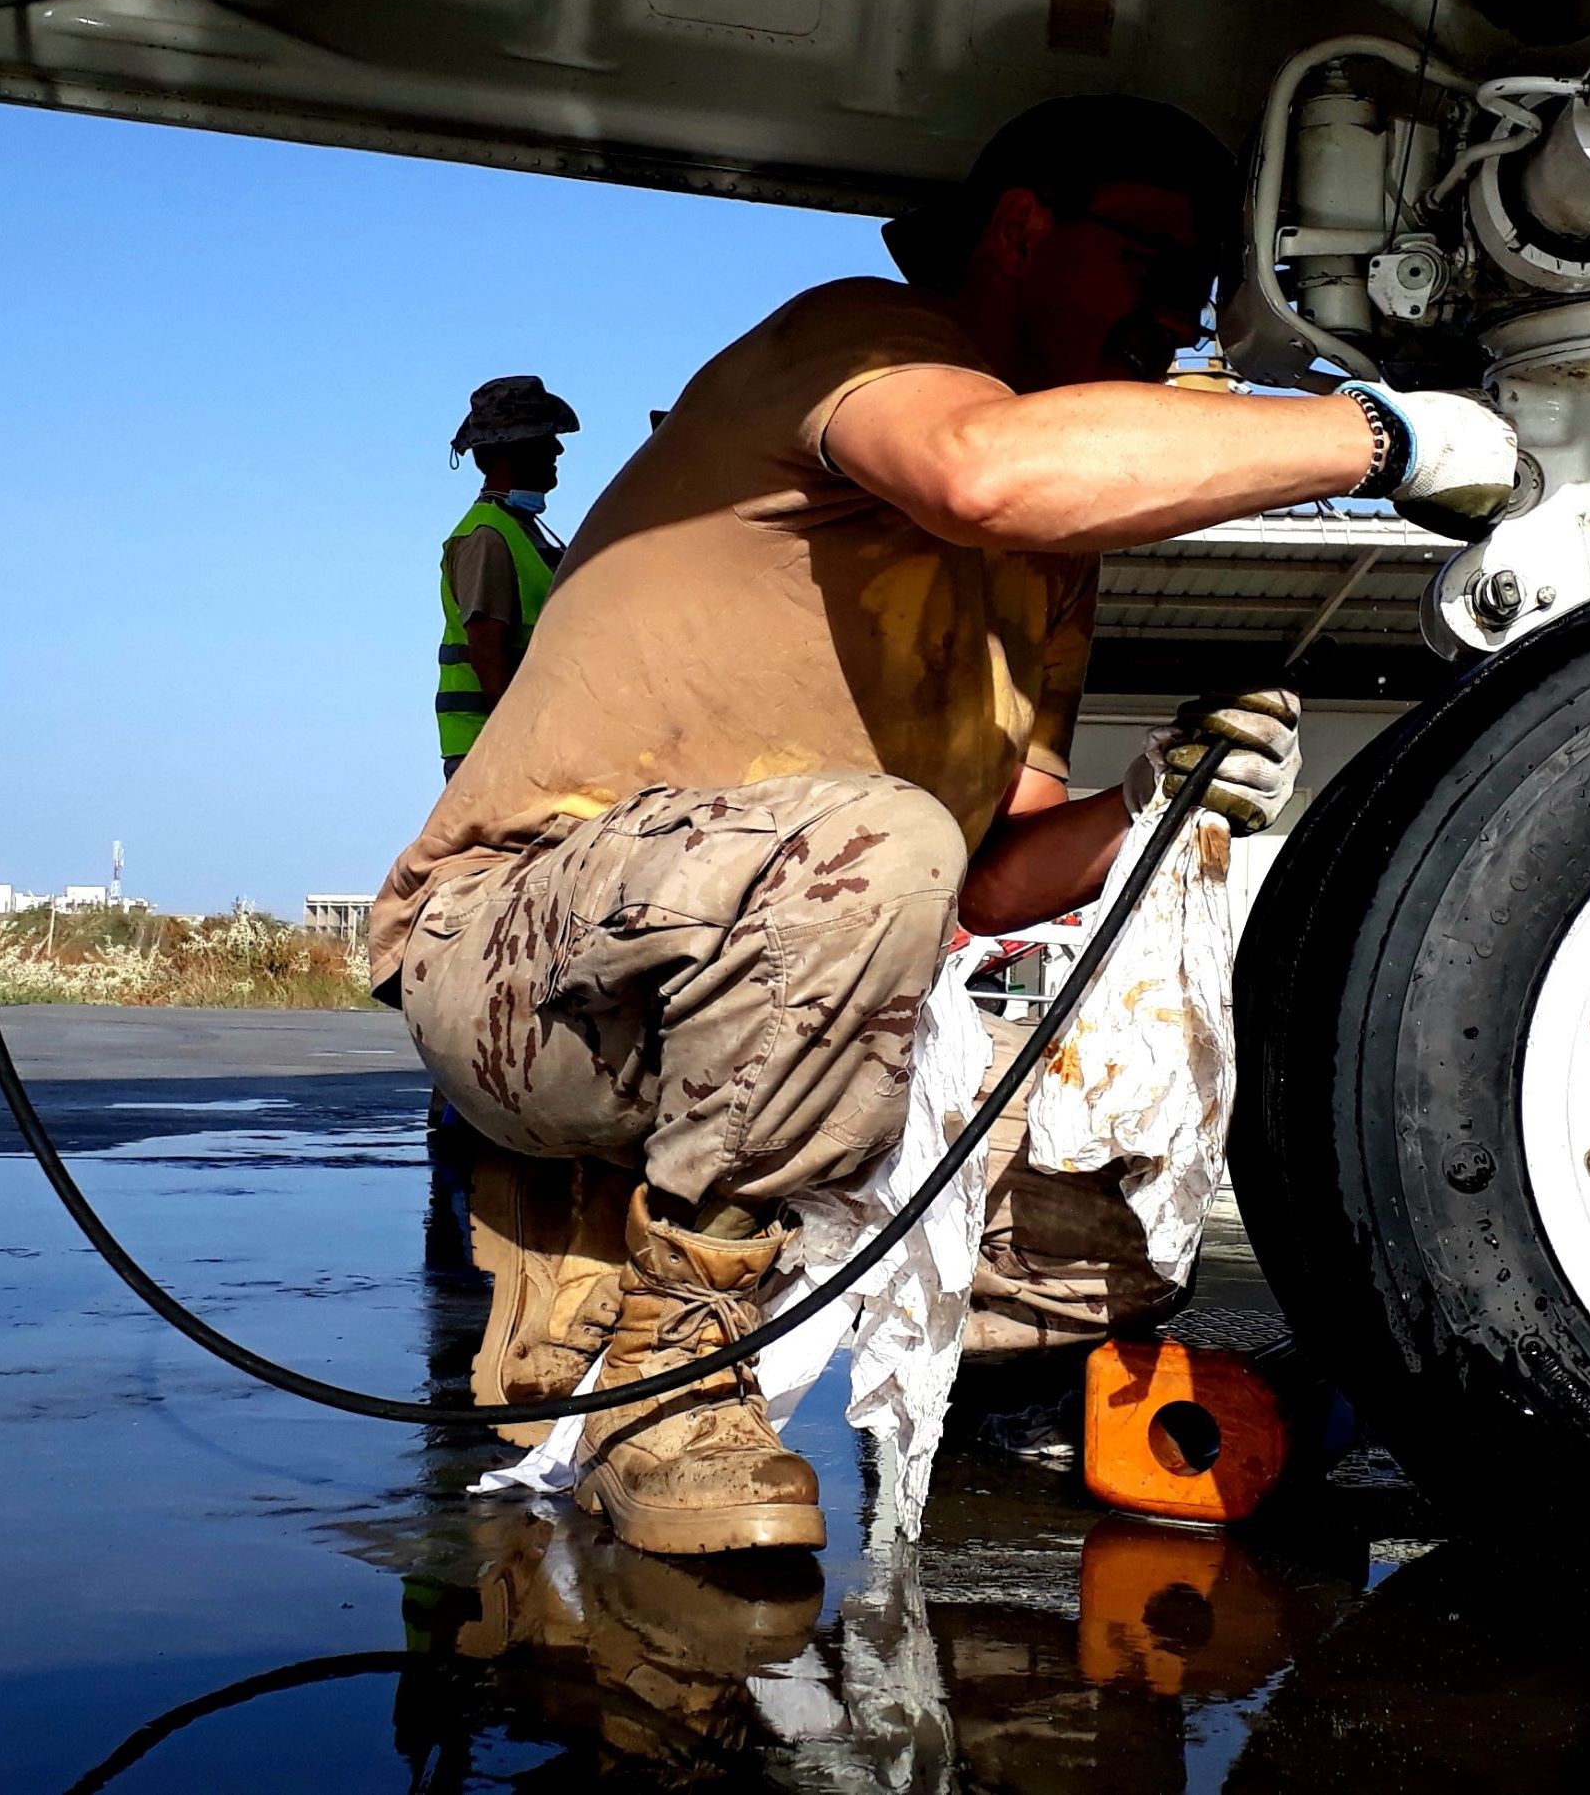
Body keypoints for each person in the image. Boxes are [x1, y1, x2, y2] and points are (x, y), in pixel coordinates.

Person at [370, 93, 1522, 1556]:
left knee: (1084, 1061)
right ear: (1025, 231)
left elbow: (986, 882)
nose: (1176, 319)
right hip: (520, 952)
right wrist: (1379, 435)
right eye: (1151, 267)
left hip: (745, 953)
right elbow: (987, 469)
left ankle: (968, 1365)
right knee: (878, 838)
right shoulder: (865, 338)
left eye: (1195, 294)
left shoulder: (1048, 570)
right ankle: (673, 1396)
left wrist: (1147, 799)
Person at [437, 376, 580, 779]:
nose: (557, 448)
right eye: (543, 438)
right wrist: (518, 743)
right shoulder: (487, 537)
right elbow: (486, 650)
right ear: (509, 450)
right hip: (492, 754)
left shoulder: (523, 530)